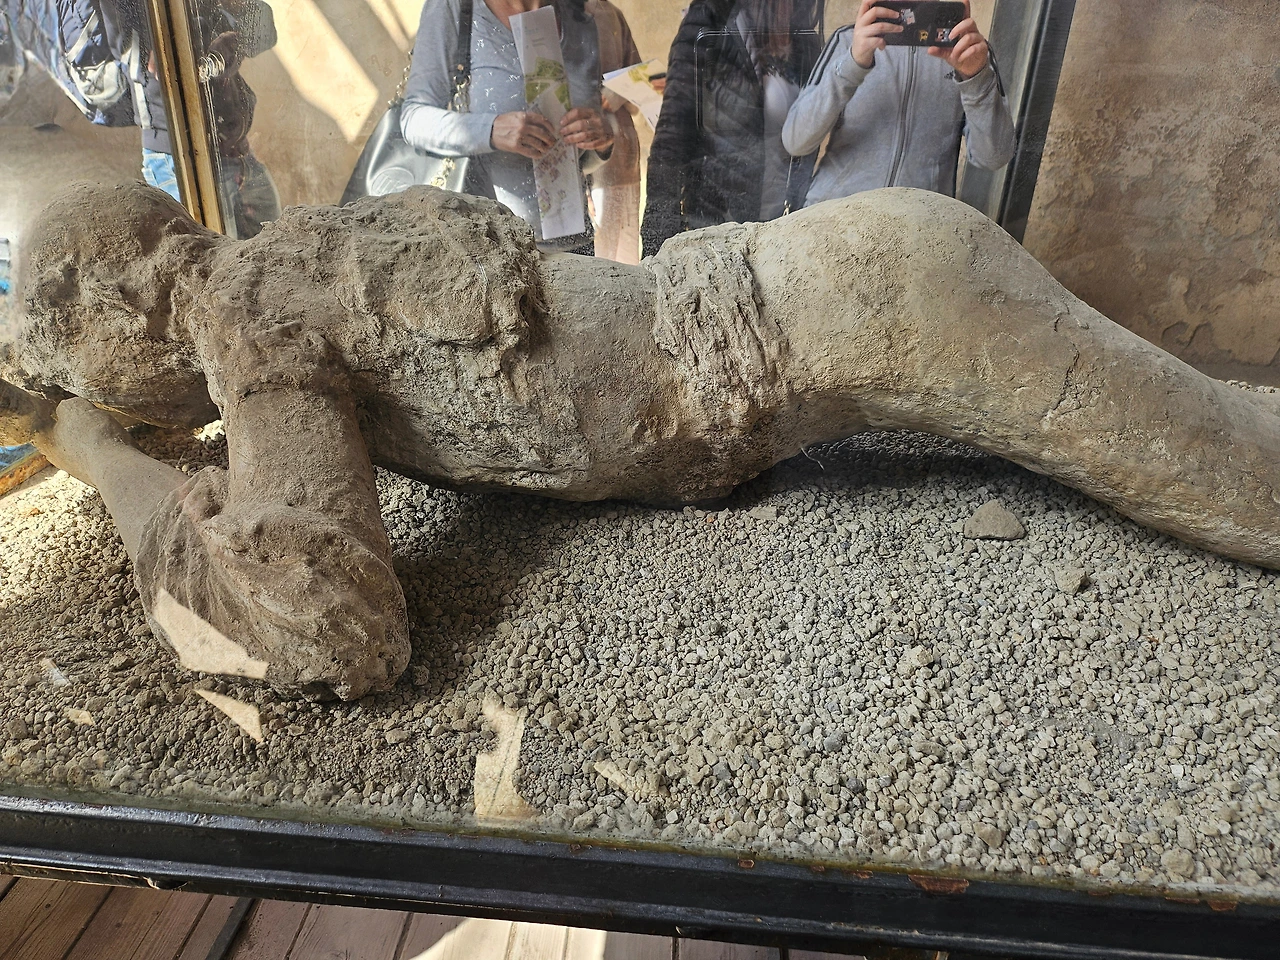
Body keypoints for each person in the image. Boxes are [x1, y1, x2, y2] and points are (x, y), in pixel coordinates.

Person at [7, 181, 1280, 702]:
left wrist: (91, 452)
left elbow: (326, 621)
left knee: (1242, 487)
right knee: (1221, 440)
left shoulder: (248, 318)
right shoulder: (282, 262)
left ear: (121, 308)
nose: (107, 399)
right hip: (846, 273)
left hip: (866, 312)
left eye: (78, 369)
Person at [400, 0, 615, 254]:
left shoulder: (579, 18)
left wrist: (602, 142)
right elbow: (413, 118)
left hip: (575, 242)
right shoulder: (455, 7)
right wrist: (491, 130)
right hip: (490, 246)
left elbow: (580, 159)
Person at [782, 0, 1013, 207]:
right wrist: (854, 63)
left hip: (916, 229)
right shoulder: (847, 40)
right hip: (835, 220)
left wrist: (975, 78)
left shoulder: (967, 53)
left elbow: (993, 157)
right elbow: (796, 141)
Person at [641, 0, 825, 258]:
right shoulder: (712, 18)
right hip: (719, 231)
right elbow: (672, 137)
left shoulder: (805, 36)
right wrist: (657, 246)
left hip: (783, 230)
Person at [585, 0, 641, 263]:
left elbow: (639, 75)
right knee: (600, 255)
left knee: (628, 250)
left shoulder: (613, 14)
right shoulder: (560, 12)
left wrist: (618, 92)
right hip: (593, 156)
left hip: (626, 151)